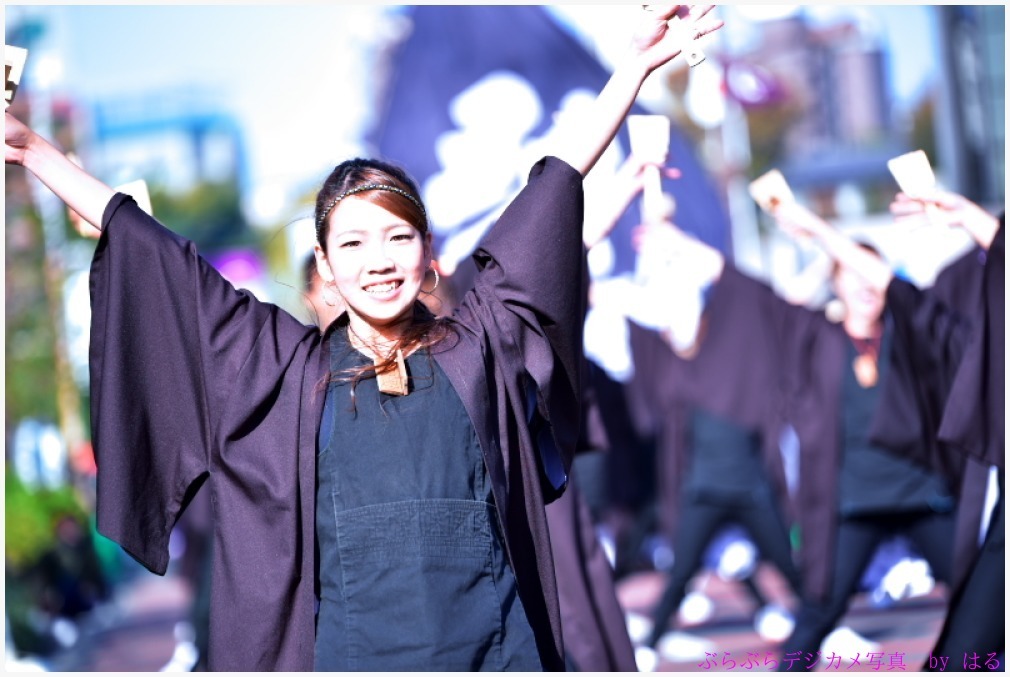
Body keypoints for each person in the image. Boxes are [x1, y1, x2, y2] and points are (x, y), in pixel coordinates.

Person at [5, 6, 724, 671]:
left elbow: (555, 184)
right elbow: (161, 256)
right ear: (325, 266)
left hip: (498, 651)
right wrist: (33, 149)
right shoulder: (287, 366)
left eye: (396, 237)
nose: (377, 260)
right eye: (352, 243)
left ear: (430, 252)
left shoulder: (478, 341)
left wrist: (631, 68)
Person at [803, 190, 1004, 671]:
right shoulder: (822, 337)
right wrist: (813, 235)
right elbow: (773, 313)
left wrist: (972, 221)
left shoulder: (907, 333)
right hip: (859, 501)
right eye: (847, 278)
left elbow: (902, 294)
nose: (863, 288)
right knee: (822, 606)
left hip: (917, 494)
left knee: (970, 634)